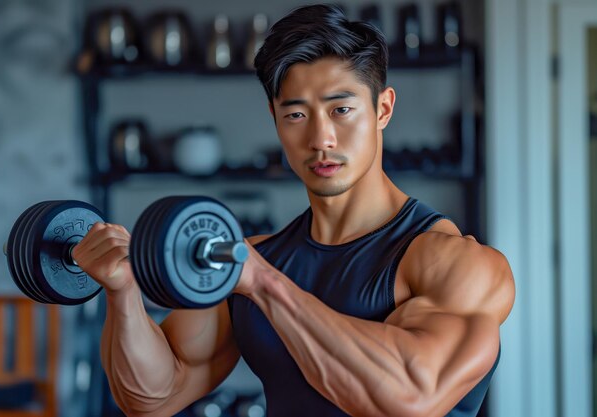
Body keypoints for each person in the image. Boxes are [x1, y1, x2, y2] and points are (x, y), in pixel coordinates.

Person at [72, 4, 515, 417]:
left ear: (382, 109)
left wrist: (265, 285)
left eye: (341, 109)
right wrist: (123, 292)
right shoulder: (254, 261)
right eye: (297, 115)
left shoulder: (456, 264)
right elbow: (151, 397)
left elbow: (410, 395)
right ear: (274, 117)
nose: (321, 138)